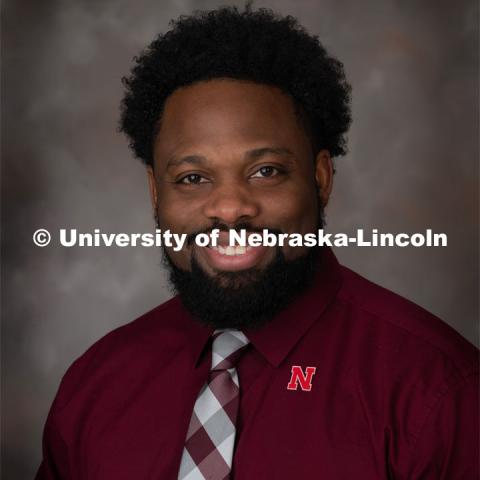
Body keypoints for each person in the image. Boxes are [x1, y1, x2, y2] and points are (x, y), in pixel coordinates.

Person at [36, 6, 478, 479]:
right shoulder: (95, 386)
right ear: (154, 192)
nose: (229, 208)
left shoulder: (439, 391)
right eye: (192, 177)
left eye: (265, 171)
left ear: (321, 177)